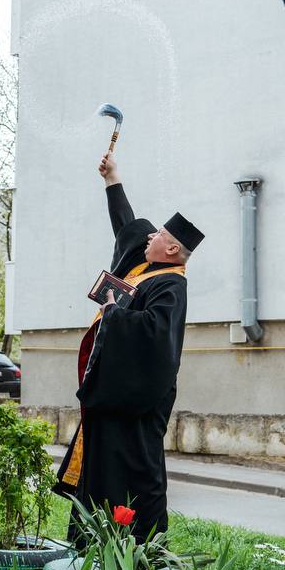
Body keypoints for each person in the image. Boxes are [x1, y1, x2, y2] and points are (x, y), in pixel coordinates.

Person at [54, 152, 203, 543]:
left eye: (159, 237)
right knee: (98, 474)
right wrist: (112, 179)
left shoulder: (172, 285)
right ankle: (88, 546)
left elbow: (156, 337)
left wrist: (114, 312)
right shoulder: (145, 268)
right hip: (109, 401)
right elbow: (127, 226)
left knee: (134, 475)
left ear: (172, 250)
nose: (150, 237)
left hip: (134, 407)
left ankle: (136, 551)